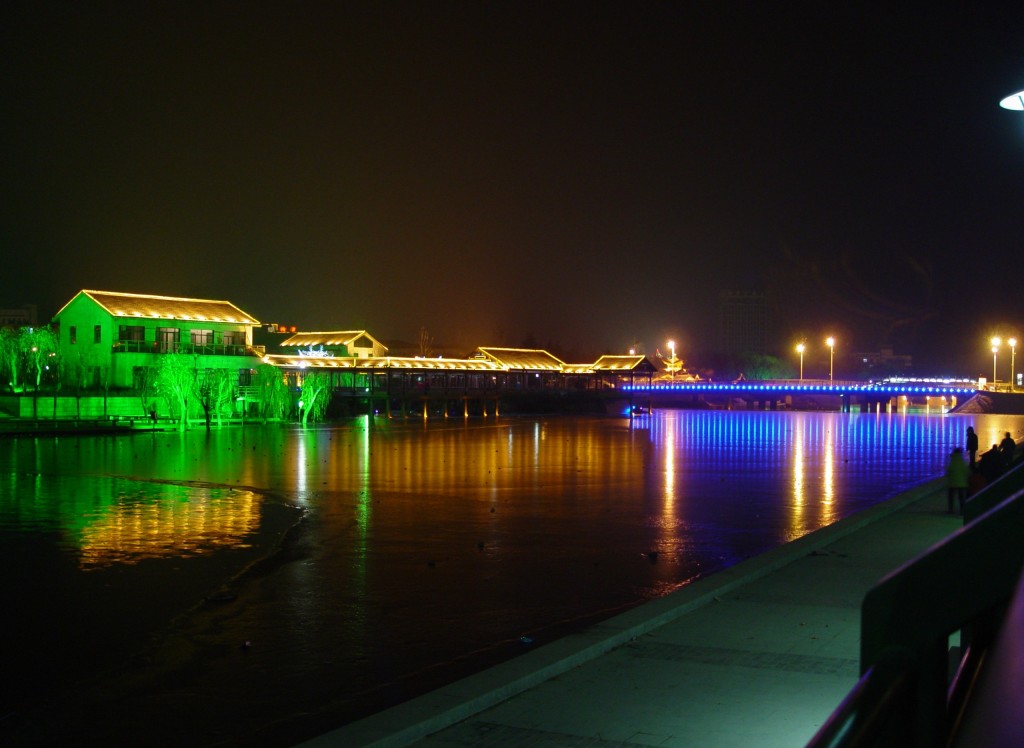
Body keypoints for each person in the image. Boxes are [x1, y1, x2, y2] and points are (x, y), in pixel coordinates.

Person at [945, 447, 970, 515]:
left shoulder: (952, 461)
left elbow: (948, 471)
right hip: (962, 483)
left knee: (951, 497)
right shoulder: (962, 462)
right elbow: (967, 472)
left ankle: (950, 510)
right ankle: (962, 510)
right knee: (961, 498)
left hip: (952, 482)